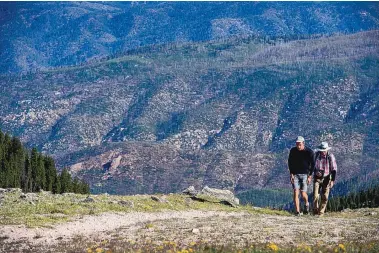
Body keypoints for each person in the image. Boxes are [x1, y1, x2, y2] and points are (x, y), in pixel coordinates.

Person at [288, 136, 315, 216]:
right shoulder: (293, 151)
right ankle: (297, 212)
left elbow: (313, 164)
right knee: (296, 192)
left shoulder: (309, 152)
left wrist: (310, 176)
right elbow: (290, 162)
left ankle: (307, 203)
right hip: (295, 174)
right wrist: (291, 174)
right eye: (297, 144)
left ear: (303, 143)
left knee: (303, 194)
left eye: (299, 144)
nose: (298, 146)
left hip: (305, 175)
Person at [312, 142, 337, 216]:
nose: (323, 152)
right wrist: (315, 171)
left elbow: (334, 169)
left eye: (324, 150)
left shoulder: (330, 156)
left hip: (326, 178)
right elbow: (312, 166)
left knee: (325, 196)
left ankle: (321, 212)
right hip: (317, 178)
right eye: (322, 150)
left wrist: (332, 180)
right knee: (315, 195)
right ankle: (315, 211)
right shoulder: (316, 155)